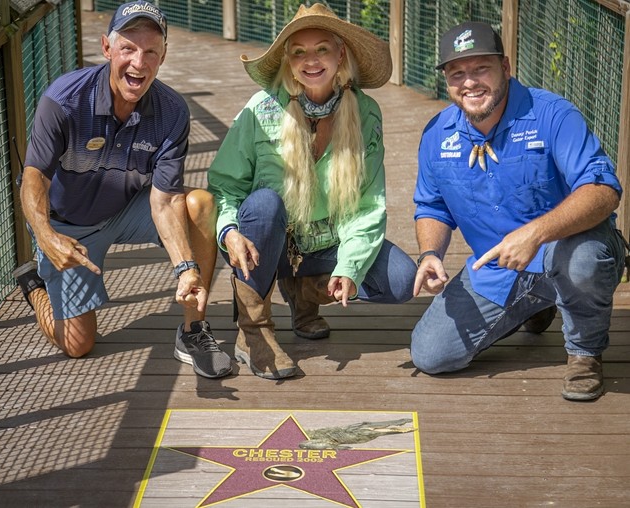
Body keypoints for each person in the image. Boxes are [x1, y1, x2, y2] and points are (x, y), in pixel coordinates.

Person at [13, 1, 232, 379]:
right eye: (128, 48)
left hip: (129, 206)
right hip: (69, 225)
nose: (138, 62)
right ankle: (33, 285)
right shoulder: (63, 100)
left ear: (163, 57)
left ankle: (194, 330)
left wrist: (186, 268)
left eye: (150, 51)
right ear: (106, 48)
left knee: (200, 203)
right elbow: (35, 177)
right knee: (78, 345)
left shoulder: (173, 111)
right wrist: (47, 235)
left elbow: (165, 200)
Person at [411, 21, 627, 401]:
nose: (470, 82)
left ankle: (584, 353)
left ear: (506, 68)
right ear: (447, 81)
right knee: (431, 355)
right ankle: (534, 307)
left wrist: (536, 233)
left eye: (481, 69)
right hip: (496, 268)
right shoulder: (436, 135)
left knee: (583, 261)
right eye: (457, 73)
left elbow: (603, 191)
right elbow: (431, 205)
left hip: (562, 250)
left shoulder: (553, 115)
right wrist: (430, 253)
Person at [207, 3, 416, 380]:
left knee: (401, 280)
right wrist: (229, 231)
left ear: (341, 54)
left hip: (328, 245)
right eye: (298, 51)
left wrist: (350, 268)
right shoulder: (260, 109)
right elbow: (225, 185)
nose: (311, 60)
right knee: (264, 204)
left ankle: (306, 293)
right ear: (287, 60)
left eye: (322, 48)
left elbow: (368, 205)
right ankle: (252, 331)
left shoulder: (366, 112)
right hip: (267, 247)